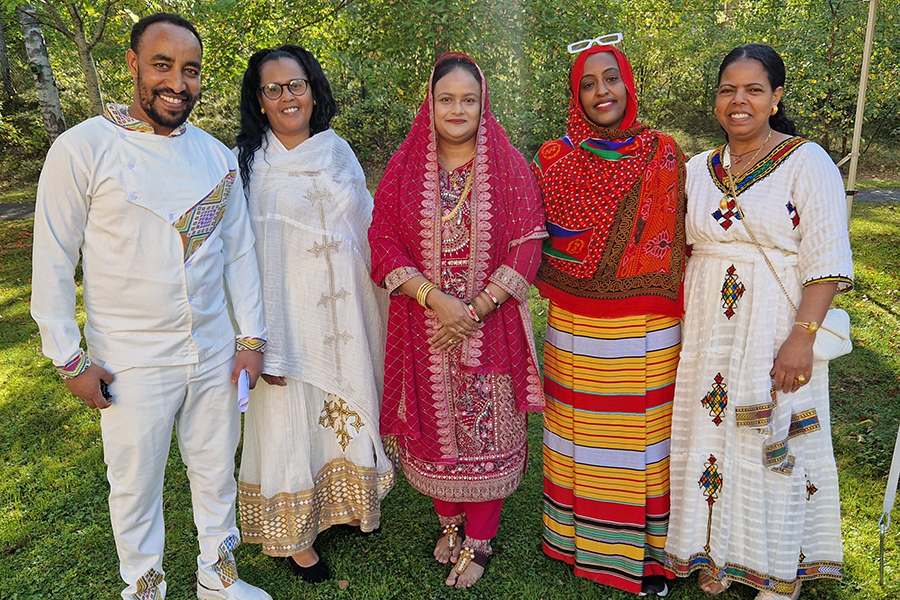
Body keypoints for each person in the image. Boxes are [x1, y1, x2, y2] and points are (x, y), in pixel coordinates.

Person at [30, 13, 271, 600]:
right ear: (133, 64)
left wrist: (251, 340)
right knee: (135, 487)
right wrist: (69, 358)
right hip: (129, 359)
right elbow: (53, 263)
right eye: (162, 65)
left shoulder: (215, 157)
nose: (177, 83)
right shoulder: (83, 148)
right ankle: (144, 590)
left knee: (216, 477)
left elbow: (239, 255)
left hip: (213, 351)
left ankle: (220, 581)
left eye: (190, 71)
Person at [663, 44, 852, 600]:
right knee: (710, 437)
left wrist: (802, 337)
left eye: (752, 89)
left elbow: (826, 259)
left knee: (771, 436)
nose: (738, 100)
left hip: (775, 325)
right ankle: (717, 555)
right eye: (727, 90)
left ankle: (779, 568)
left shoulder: (806, 160)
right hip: (707, 330)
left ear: (776, 98)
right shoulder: (698, 169)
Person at [368, 52, 546, 589]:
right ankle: (449, 523)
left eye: (469, 99)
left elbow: (528, 242)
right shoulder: (404, 169)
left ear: (483, 103)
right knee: (432, 434)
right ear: (431, 103)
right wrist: (433, 299)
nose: (458, 109)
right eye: (447, 99)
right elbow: (381, 240)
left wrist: (474, 309)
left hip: (490, 330)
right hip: (421, 330)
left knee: (485, 433)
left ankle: (480, 540)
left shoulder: (510, 166)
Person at [233, 45, 395, 583]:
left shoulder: (338, 150)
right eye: (273, 88)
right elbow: (246, 258)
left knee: (345, 413)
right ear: (259, 101)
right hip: (287, 323)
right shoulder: (251, 167)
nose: (287, 97)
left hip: (347, 317)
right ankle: (296, 537)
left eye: (295, 84)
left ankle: (349, 505)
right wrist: (260, 337)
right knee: (289, 421)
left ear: (312, 89)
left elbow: (368, 226)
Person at [532, 39, 687, 597]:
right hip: (574, 322)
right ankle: (576, 541)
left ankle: (644, 556)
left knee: (641, 440)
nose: (602, 92)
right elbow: (537, 233)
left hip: (645, 324)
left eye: (611, 79)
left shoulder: (661, 150)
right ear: (576, 94)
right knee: (580, 435)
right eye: (589, 83)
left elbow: (671, 237)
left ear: (628, 84)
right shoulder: (554, 158)